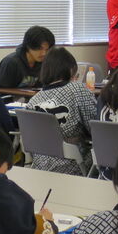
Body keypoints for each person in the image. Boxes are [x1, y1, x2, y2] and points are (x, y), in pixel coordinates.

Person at [27, 47, 98, 175]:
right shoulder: (77, 90)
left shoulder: (33, 100)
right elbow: (95, 128)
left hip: (40, 166)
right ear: (70, 69)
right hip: (74, 164)